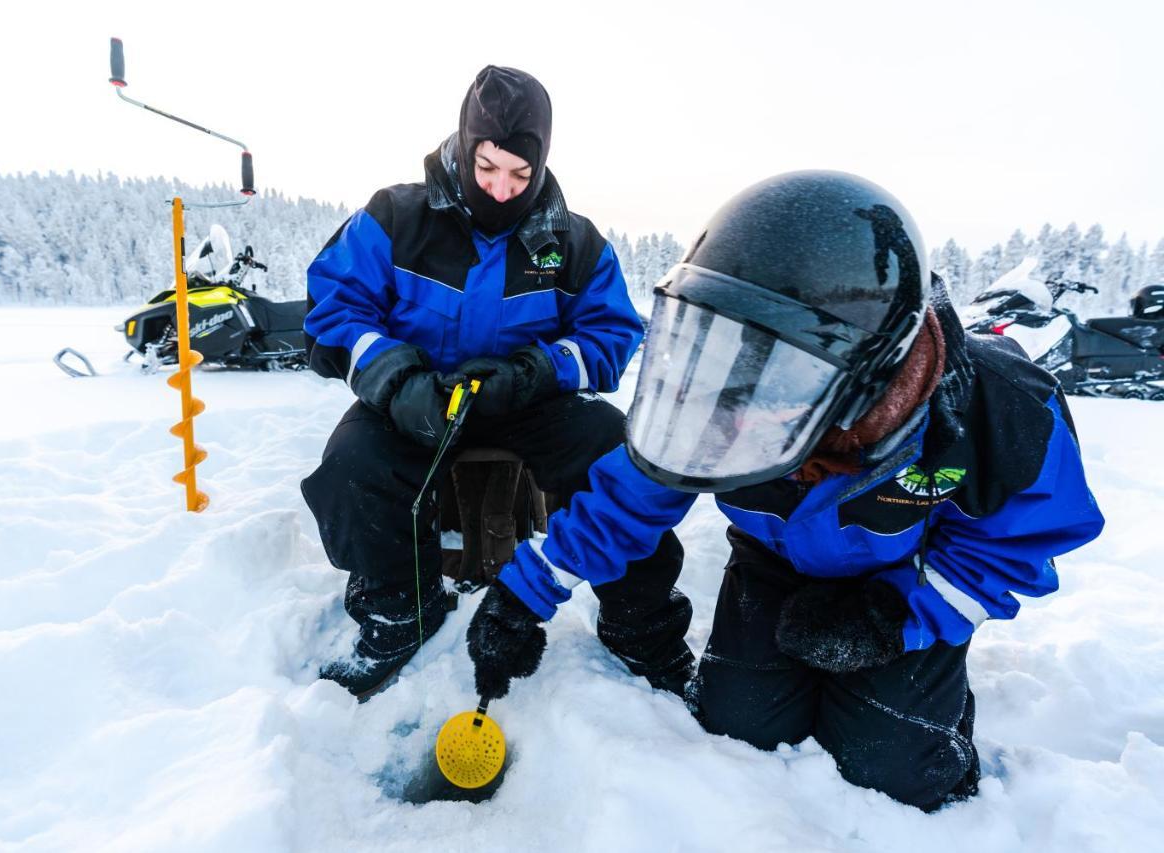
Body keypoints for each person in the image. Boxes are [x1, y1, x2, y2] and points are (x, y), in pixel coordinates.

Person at [466, 170, 1106, 811]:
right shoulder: (729, 383)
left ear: (860, 375)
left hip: (906, 583)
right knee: (739, 729)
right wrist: (526, 593)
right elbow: (633, 495)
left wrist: (894, 618)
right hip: (773, 567)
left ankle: (933, 718)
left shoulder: (997, 409)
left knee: (893, 768)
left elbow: (1020, 542)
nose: (738, 410)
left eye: (773, 382)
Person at [301, 66, 693, 699]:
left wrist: (539, 371)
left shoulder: (573, 240)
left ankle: (641, 625)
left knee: (617, 457)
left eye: (521, 174)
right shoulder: (395, 216)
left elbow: (612, 334)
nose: (503, 189)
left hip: (523, 398)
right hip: (416, 395)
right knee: (352, 467)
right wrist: (397, 380)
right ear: (465, 143)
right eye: (488, 168)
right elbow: (336, 307)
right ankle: (401, 612)